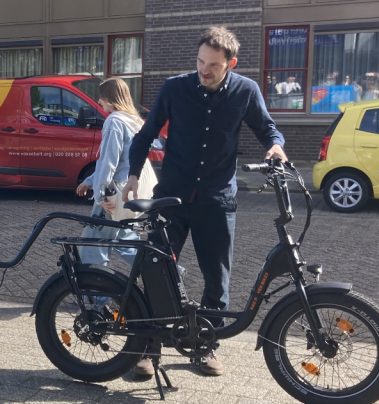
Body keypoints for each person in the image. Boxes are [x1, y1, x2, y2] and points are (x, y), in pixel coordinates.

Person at [116, 26, 288, 377]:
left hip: (216, 199)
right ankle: (148, 348)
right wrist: (133, 174)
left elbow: (267, 128)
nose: (204, 70)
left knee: (217, 277)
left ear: (231, 64)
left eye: (213, 65)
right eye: (200, 62)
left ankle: (206, 347)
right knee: (156, 271)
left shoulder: (245, 91)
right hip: (171, 198)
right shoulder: (175, 88)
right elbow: (145, 135)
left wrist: (275, 146)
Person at [75, 78, 144, 269]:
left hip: (113, 194)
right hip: (129, 192)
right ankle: (164, 271)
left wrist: (100, 195)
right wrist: (89, 180)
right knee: (126, 242)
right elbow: (124, 162)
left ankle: (95, 288)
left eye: (101, 97)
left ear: (111, 98)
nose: (99, 101)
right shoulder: (135, 121)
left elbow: (109, 162)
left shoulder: (114, 121)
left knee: (92, 247)